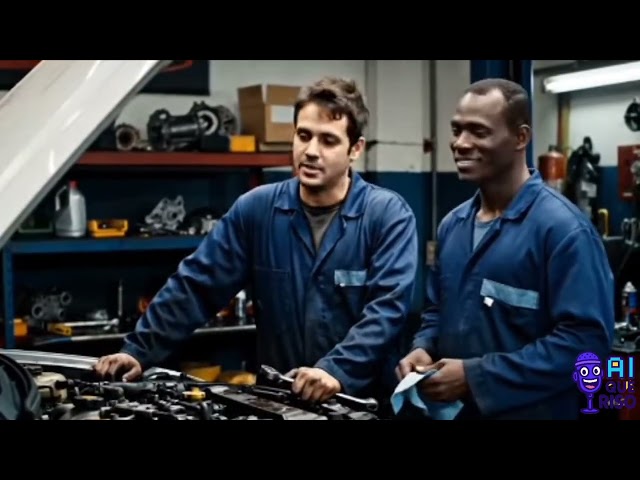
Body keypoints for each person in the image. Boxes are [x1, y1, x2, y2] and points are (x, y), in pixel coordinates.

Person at [95, 76, 419, 405]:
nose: (311, 151)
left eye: (328, 141)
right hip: (282, 402)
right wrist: (138, 351)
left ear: (355, 149)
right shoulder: (257, 210)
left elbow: (386, 311)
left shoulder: (387, 216)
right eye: (303, 136)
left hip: (362, 403)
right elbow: (196, 286)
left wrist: (336, 371)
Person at [396, 78, 614, 420]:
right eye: (457, 130)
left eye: (478, 132)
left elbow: (586, 346)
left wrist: (476, 377)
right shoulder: (453, 226)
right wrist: (423, 346)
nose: (460, 143)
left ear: (521, 137)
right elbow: (437, 310)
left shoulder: (564, 231)